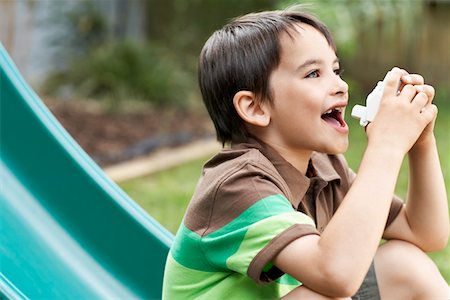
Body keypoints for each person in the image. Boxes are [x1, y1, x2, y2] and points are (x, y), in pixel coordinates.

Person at [162, 6, 449, 299]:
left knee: (406, 264)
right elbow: (335, 275)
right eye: (314, 73)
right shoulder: (238, 185)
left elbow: (425, 232)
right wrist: (386, 146)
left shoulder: (324, 171)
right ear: (255, 107)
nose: (340, 86)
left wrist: (421, 143)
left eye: (336, 70)